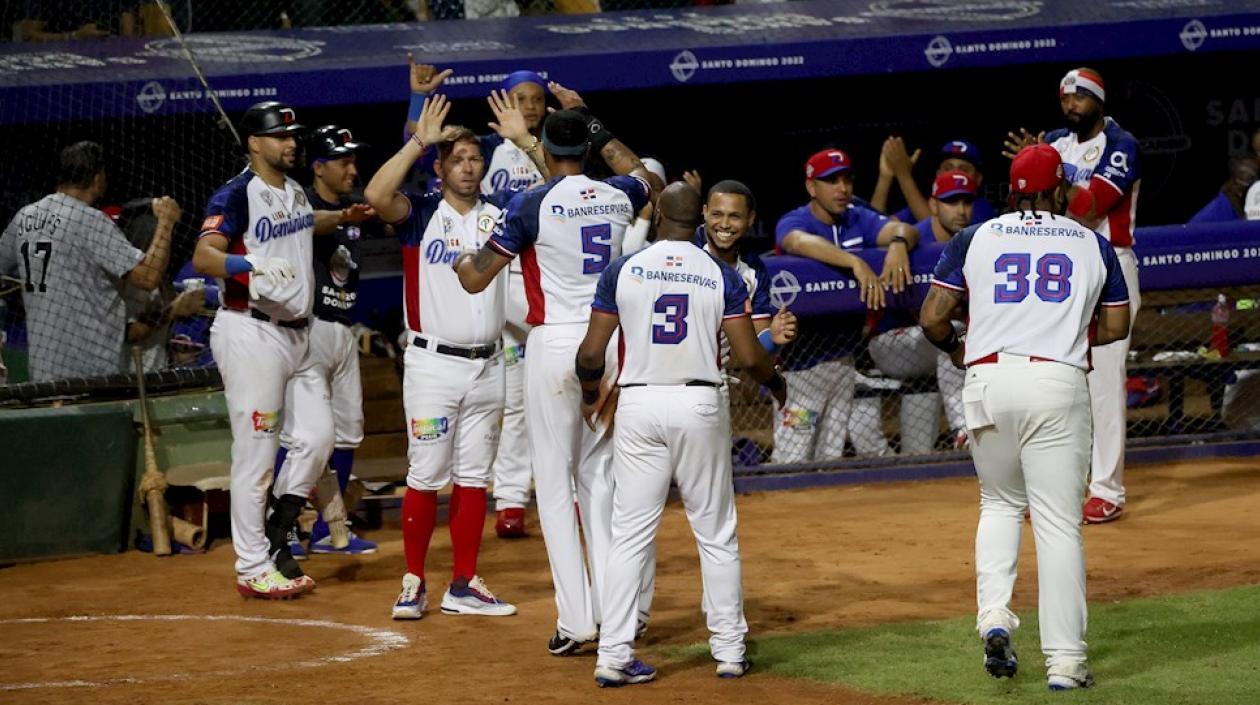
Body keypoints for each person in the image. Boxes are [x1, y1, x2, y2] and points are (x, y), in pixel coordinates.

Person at [921, 144, 1131, 691]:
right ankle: (1064, 663)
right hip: (1056, 383)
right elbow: (1116, 327)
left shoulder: (975, 237)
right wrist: (1058, 332)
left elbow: (933, 318)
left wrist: (959, 347)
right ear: (1058, 189)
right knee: (1059, 525)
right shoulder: (1093, 242)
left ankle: (993, 615)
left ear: (1011, 190)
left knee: (999, 503)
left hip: (988, 380)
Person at [454, 106, 664, 655]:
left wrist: (461, 263)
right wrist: (599, 126)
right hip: (611, 341)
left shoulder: (529, 203)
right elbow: (653, 178)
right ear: (588, 149)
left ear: (543, 150)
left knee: (553, 484)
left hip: (554, 345)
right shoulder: (620, 193)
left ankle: (578, 621)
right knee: (604, 480)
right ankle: (622, 612)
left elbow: (477, 279)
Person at [577, 183, 788, 687]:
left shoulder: (622, 267)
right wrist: (776, 384)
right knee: (714, 531)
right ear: (699, 219)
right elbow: (748, 357)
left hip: (640, 402)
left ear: (658, 215)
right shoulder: (719, 272)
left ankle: (614, 654)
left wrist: (590, 394)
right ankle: (730, 650)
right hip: (698, 401)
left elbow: (589, 355)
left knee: (630, 534)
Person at [193, 101, 363, 599]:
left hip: (298, 335)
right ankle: (251, 566)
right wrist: (251, 264)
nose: (291, 143)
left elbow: (306, 223)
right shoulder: (235, 194)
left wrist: (344, 216)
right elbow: (204, 256)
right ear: (254, 142)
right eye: (279, 136)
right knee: (257, 455)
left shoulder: (292, 191)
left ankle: (277, 524)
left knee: (317, 437)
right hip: (251, 333)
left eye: (293, 135)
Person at [365, 95, 516, 620]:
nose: (469, 167)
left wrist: (524, 141)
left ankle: (464, 583)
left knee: (475, 476)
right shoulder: (421, 213)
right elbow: (376, 193)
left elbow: (550, 197)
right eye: (458, 159)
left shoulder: (501, 216)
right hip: (433, 366)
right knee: (426, 474)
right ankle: (413, 582)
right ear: (441, 167)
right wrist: (417, 140)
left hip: (490, 363)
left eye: (475, 158)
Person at [406, 61, 552, 538]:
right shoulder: (486, 147)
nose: (529, 107)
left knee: (521, 401)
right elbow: (421, 144)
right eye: (520, 98)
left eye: (536, 99)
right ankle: (512, 498)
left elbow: (569, 190)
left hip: (517, 273)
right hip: (490, 275)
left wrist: (531, 139)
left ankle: (533, 495)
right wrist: (416, 108)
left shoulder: (548, 147)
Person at [1006, 67, 1142, 523]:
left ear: (1098, 100)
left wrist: (1045, 178)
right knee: (1056, 383)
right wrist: (1029, 172)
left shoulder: (1122, 145)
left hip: (1108, 268)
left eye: (1080, 97)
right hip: (1061, 270)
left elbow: (1089, 207)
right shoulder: (1056, 145)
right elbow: (1024, 203)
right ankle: (1057, 485)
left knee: (1103, 384)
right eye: (1066, 97)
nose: (1071, 105)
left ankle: (1107, 490)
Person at [772, 147, 919, 464]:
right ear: (812, 187)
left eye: (846, 180)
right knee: (793, 456)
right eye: (830, 181)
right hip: (801, 371)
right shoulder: (797, 219)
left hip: (843, 362)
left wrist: (897, 244)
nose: (842, 188)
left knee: (830, 457)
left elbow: (905, 229)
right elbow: (795, 241)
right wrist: (855, 262)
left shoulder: (857, 217)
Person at [275, 124, 379, 558]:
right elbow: (304, 224)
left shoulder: (356, 208)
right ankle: (281, 528)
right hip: (307, 329)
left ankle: (327, 527)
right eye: (343, 161)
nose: (352, 168)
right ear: (318, 168)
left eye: (354, 159)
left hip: (343, 330)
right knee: (302, 436)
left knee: (349, 430)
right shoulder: (300, 201)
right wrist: (341, 218)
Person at [0, 141, 179, 382]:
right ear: (97, 177)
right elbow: (148, 278)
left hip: (43, 366)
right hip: (92, 369)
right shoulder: (89, 220)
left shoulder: (25, 216)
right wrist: (166, 222)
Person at [697, 178, 798, 375]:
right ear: (705, 212)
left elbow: (756, 344)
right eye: (717, 214)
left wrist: (773, 338)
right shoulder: (684, 248)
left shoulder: (754, 269)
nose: (724, 224)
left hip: (714, 379)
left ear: (751, 219)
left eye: (734, 217)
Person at [872, 138, 996, 226]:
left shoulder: (979, 208)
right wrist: (885, 178)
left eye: (964, 170)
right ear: (937, 175)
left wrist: (904, 176)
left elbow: (938, 225)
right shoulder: (924, 205)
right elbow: (875, 227)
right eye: (948, 168)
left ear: (978, 179)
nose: (954, 175)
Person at [1189, 156, 1259, 222]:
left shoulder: (1252, 207)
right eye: (1250, 181)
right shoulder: (1209, 217)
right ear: (1234, 185)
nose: (1256, 186)